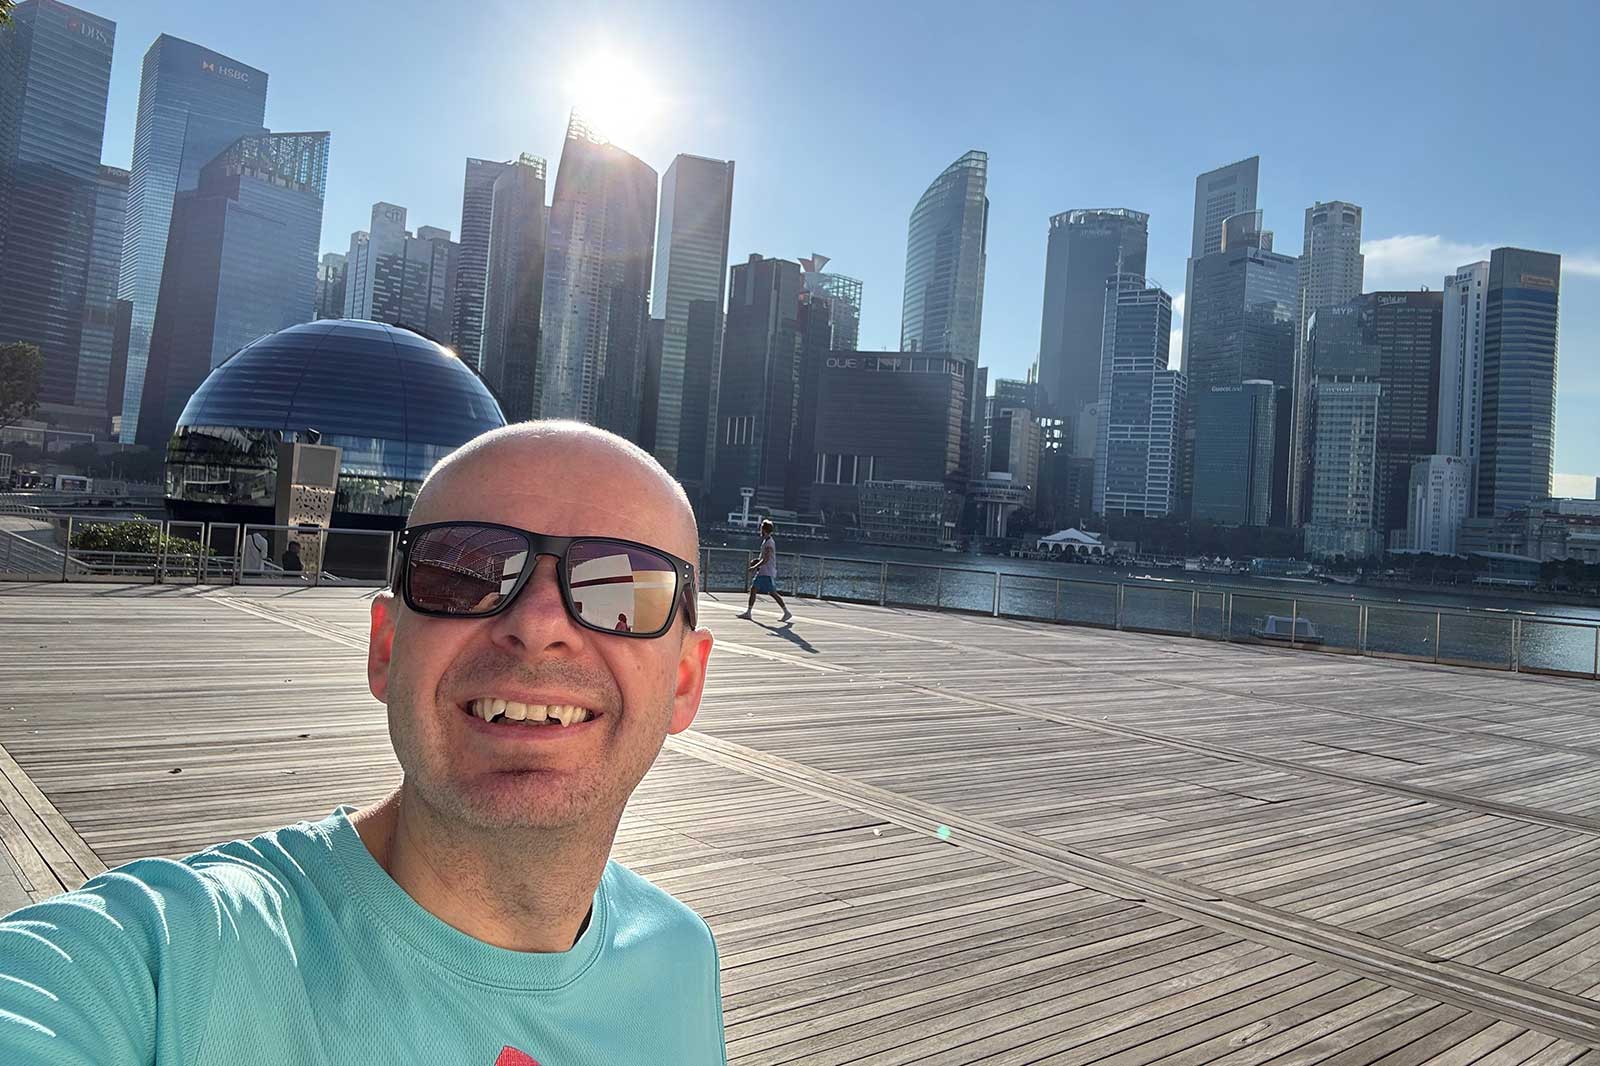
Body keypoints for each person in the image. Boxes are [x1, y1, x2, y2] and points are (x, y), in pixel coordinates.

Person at [0, 421, 725, 1064]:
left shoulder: (682, 960)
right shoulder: (167, 961)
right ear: (385, 649)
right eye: (462, 572)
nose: (538, 623)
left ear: (685, 682)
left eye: (622, 590)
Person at [739, 518, 791, 621]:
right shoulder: (766, 541)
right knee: (755, 589)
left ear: (764, 530)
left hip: (766, 572)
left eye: (761, 529)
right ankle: (749, 612)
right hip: (764, 571)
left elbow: (766, 559)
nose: (760, 531)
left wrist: (754, 566)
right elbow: (765, 557)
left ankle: (786, 612)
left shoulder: (769, 543)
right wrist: (757, 561)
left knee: (771, 592)